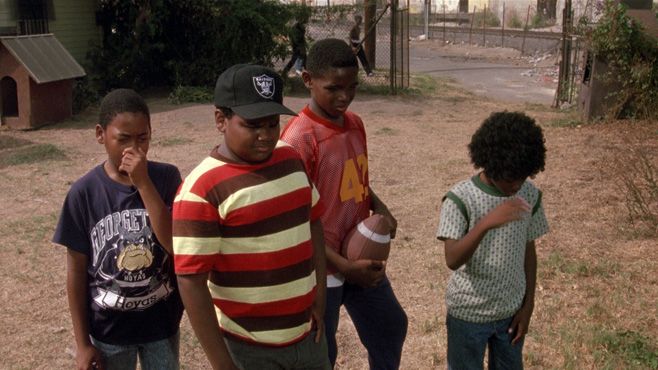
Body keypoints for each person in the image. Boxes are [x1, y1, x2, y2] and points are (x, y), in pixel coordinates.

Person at [172, 64, 330, 370]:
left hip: (307, 336)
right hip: (247, 348)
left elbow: (313, 225)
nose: (266, 135)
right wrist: (222, 364)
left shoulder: (291, 160)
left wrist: (319, 299)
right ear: (221, 119)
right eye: (253, 124)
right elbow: (191, 282)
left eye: (273, 124)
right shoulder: (201, 190)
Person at [281, 38, 408, 369]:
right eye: (333, 88)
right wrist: (343, 266)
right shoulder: (298, 138)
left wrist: (380, 206)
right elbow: (296, 218)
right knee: (324, 348)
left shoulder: (354, 123)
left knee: (390, 325)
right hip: (325, 266)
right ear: (307, 79)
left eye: (352, 87)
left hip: (358, 255)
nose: (344, 97)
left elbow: (353, 178)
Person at [53, 89, 184, 370]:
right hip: (108, 331)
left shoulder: (167, 178)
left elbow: (175, 245)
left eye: (142, 138)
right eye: (123, 139)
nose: (134, 149)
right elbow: (76, 271)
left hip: (161, 324)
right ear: (101, 134)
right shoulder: (83, 193)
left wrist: (144, 183)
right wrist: (82, 344)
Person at [435, 111, 549, 370]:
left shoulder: (529, 195)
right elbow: (452, 259)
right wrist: (487, 222)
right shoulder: (460, 199)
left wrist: (528, 304)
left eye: (524, 177)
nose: (517, 185)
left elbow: (528, 251)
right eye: (510, 179)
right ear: (490, 164)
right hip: (468, 316)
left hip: (511, 314)